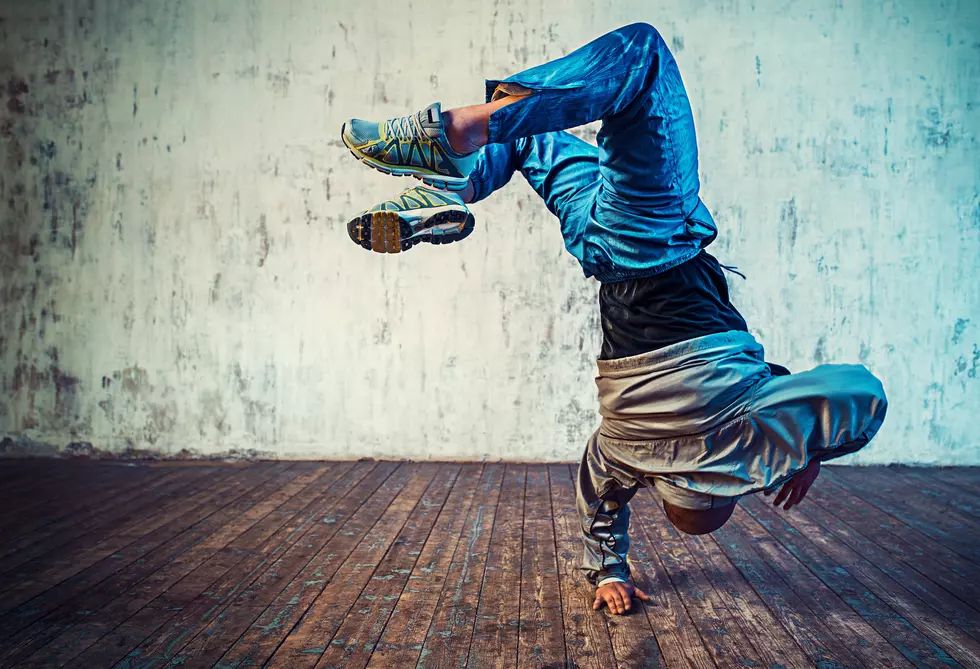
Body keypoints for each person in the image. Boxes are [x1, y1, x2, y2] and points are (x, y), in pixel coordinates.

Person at [340, 23, 888, 616]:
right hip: (601, 253)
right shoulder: (625, 451)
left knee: (643, 56)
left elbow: (862, 393)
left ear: (731, 478)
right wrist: (608, 573)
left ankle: (447, 133)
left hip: (650, 236)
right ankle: (440, 192)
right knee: (531, 138)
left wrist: (807, 453)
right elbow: (599, 506)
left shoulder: (745, 433)